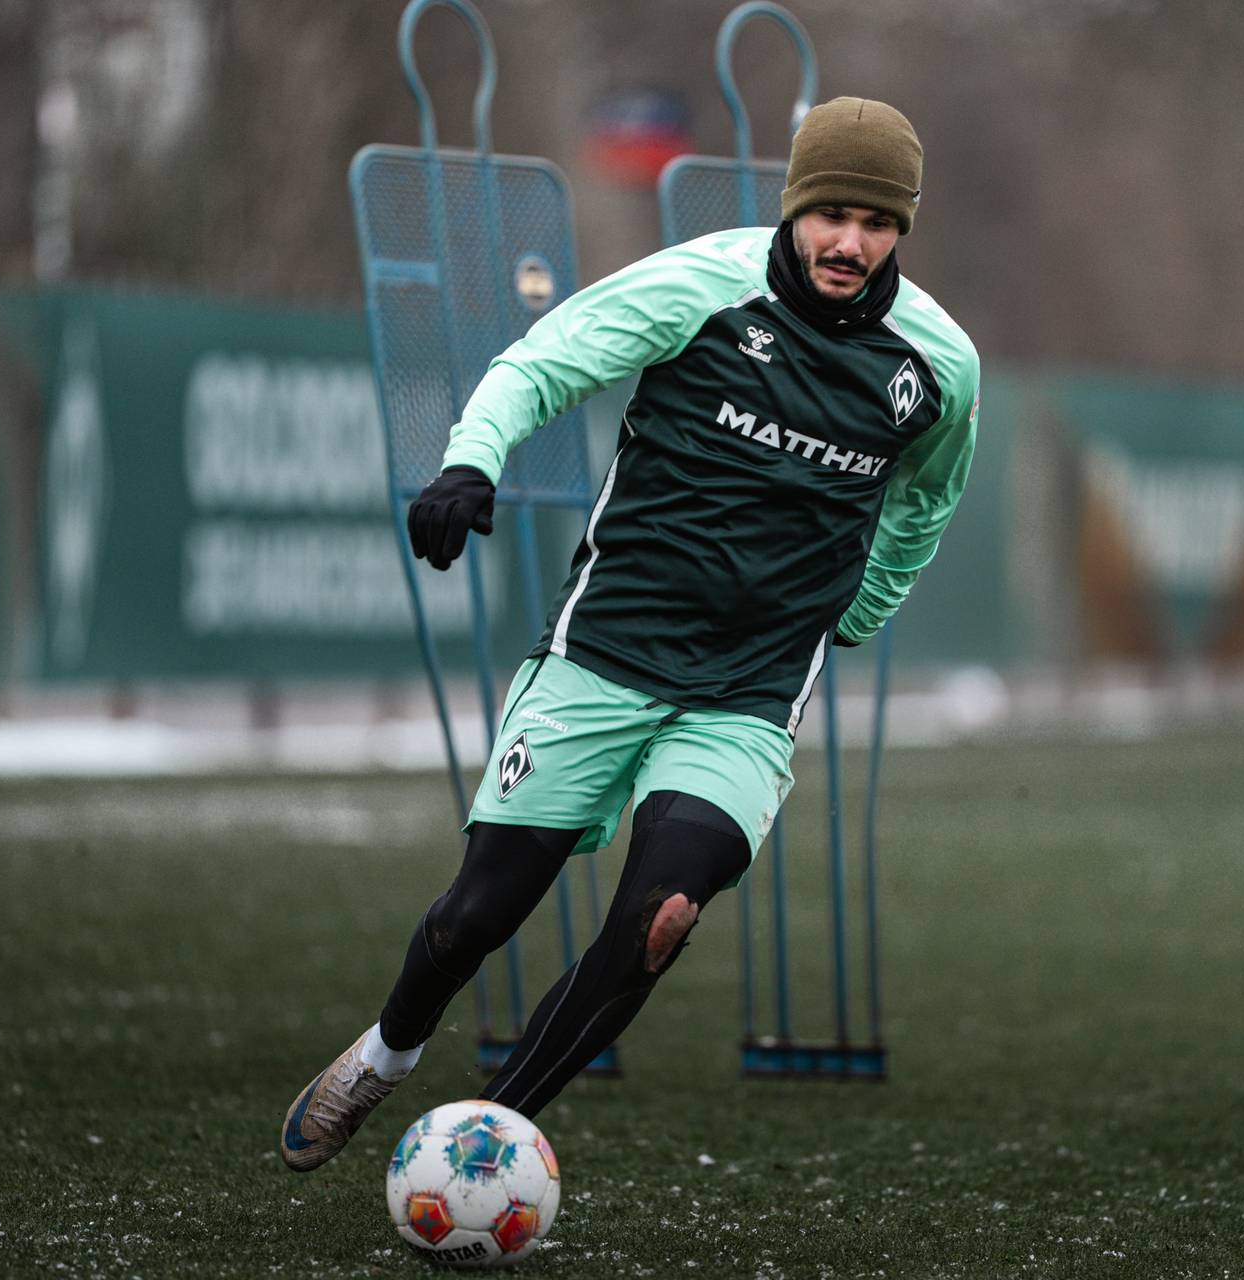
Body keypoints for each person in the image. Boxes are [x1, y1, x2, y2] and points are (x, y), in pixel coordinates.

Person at [280, 97, 980, 1170]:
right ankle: (385, 1053)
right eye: (832, 213)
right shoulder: (703, 283)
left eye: (878, 222)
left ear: (905, 227)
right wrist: (473, 459)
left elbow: (924, 501)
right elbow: (544, 361)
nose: (850, 243)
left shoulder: (937, 364)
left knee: (659, 916)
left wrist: (867, 605)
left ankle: (491, 1143)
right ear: (796, 206)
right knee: (477, 915)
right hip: (605, 652)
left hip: (746, 693)